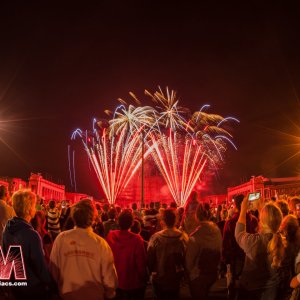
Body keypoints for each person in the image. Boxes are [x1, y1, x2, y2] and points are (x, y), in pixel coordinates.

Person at [49, 199, 117, 300]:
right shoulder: (101, 244)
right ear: (93, 218)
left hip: (66, 296)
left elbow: (53, 271)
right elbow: (110, 280)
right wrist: (109, 294)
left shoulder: (61, 239)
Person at [2, 189, 55, 299]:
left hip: (15, 286)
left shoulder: (7, 229)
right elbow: (40, 268)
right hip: (31, 289)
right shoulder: (32, 235)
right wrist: (52, 285)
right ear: (29, 209)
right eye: (34, 205)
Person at [235, 196, 285, 300]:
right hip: (272, 291)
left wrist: (243, 209)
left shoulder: (255, 242)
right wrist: (261, 209)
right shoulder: (283, 241)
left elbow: (239, 234)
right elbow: (269, 223)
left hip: (252, 291)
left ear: (261, 220)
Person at [222, 194, 258, 299]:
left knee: (234, 288)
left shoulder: (230, 222)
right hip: (251, 258)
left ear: (235, 205)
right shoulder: (254, 220)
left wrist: (225, 261)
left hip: (236, 259)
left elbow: (226, 243)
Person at [106, 209, 147, 300]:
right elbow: (141, 263)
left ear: (118, 222)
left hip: (115, 281)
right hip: (132, 283)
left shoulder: (110, 236)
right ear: (132, 223)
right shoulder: (136, 239)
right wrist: (144, 278)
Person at [148, 208, 188, 300]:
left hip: (160, 277)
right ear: (175, 220)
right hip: (176, 277)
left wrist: (150, 271)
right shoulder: (183, 237)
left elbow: (150, 258)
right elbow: (187, 257)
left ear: (163, 221)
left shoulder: (156, 238)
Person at [186, 203, 222, 300]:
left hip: (198, 277)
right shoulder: (217, 230)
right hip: (214, 273)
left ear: (197, 216)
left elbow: (189, 262)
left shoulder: (195, 235)